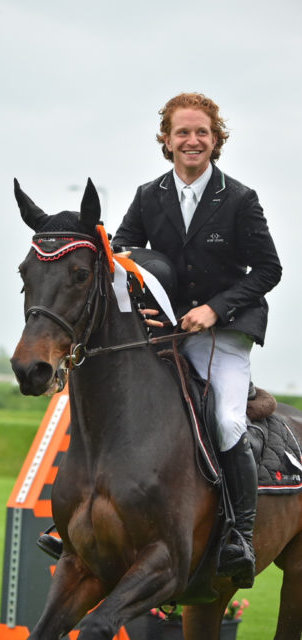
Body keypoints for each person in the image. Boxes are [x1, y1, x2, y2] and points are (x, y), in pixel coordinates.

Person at [111, 92, 282, 588]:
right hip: (164, 334)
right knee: (125, 409)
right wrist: (141, 296)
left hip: (224, 333)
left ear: (215, 140)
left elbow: (269, 269)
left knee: (227, 421)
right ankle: (83, 519)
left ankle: (239, 536)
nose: (192, 140)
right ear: (166, 140)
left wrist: (215, 309)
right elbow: (122, 252)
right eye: (182, 132)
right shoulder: (148, 196)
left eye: (202, 132)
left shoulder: (240, 198)